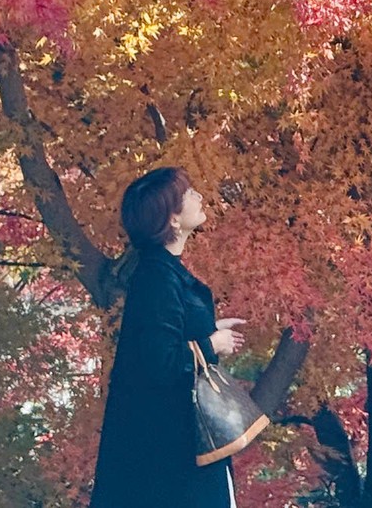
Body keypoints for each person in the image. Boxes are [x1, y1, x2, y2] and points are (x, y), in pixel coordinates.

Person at [90, 167, 248, 508]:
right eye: (188, 194)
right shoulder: (156, 277)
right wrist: (212, 344)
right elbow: (160, 362)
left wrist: (208, 328)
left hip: (173, 449)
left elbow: (164, 335)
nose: (199, 196)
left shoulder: (163, 273)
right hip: (169, 454)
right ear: (173, 220)